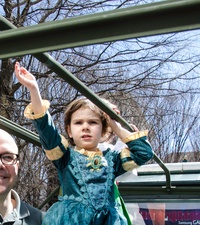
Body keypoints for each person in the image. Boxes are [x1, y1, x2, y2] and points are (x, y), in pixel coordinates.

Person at [14, 62, 154, 225]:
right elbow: (46, 129)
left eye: (93, 122)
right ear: (70, 130)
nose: (85, 127)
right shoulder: (65, 157)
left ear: (103, 130)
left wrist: (116, 127)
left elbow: (144, 153)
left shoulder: (112, 159)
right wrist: (34, 90)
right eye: (78, 123)